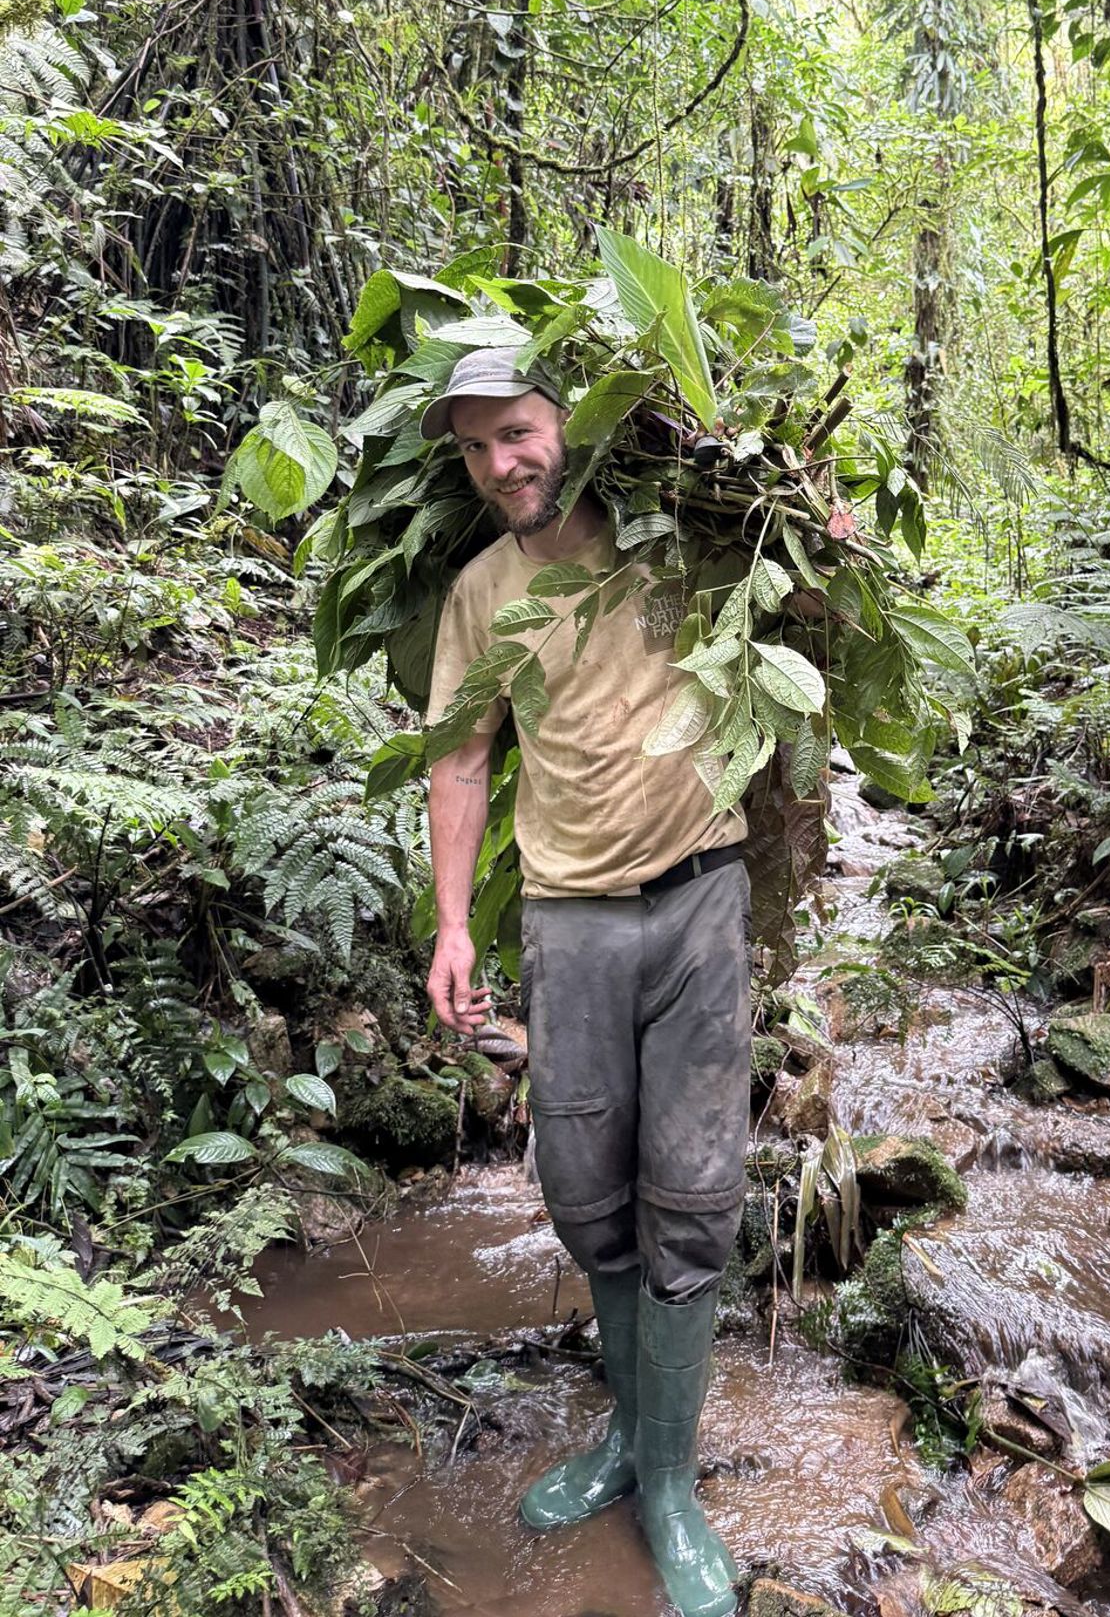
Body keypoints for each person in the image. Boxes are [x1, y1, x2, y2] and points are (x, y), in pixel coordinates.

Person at [419, 345, 750, 1617]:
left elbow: (809, 610)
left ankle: (669, 1481)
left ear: (571, 422)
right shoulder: (483, 593)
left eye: (519, 430)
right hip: (568, 920)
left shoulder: (683, 540)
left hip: (700, 900)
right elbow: (460, 761)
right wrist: (454, 925)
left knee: (695, 1194)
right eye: (479, 447)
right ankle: (623, 1437)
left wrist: (825, 526)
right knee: (584, 1189)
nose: (506, 461)